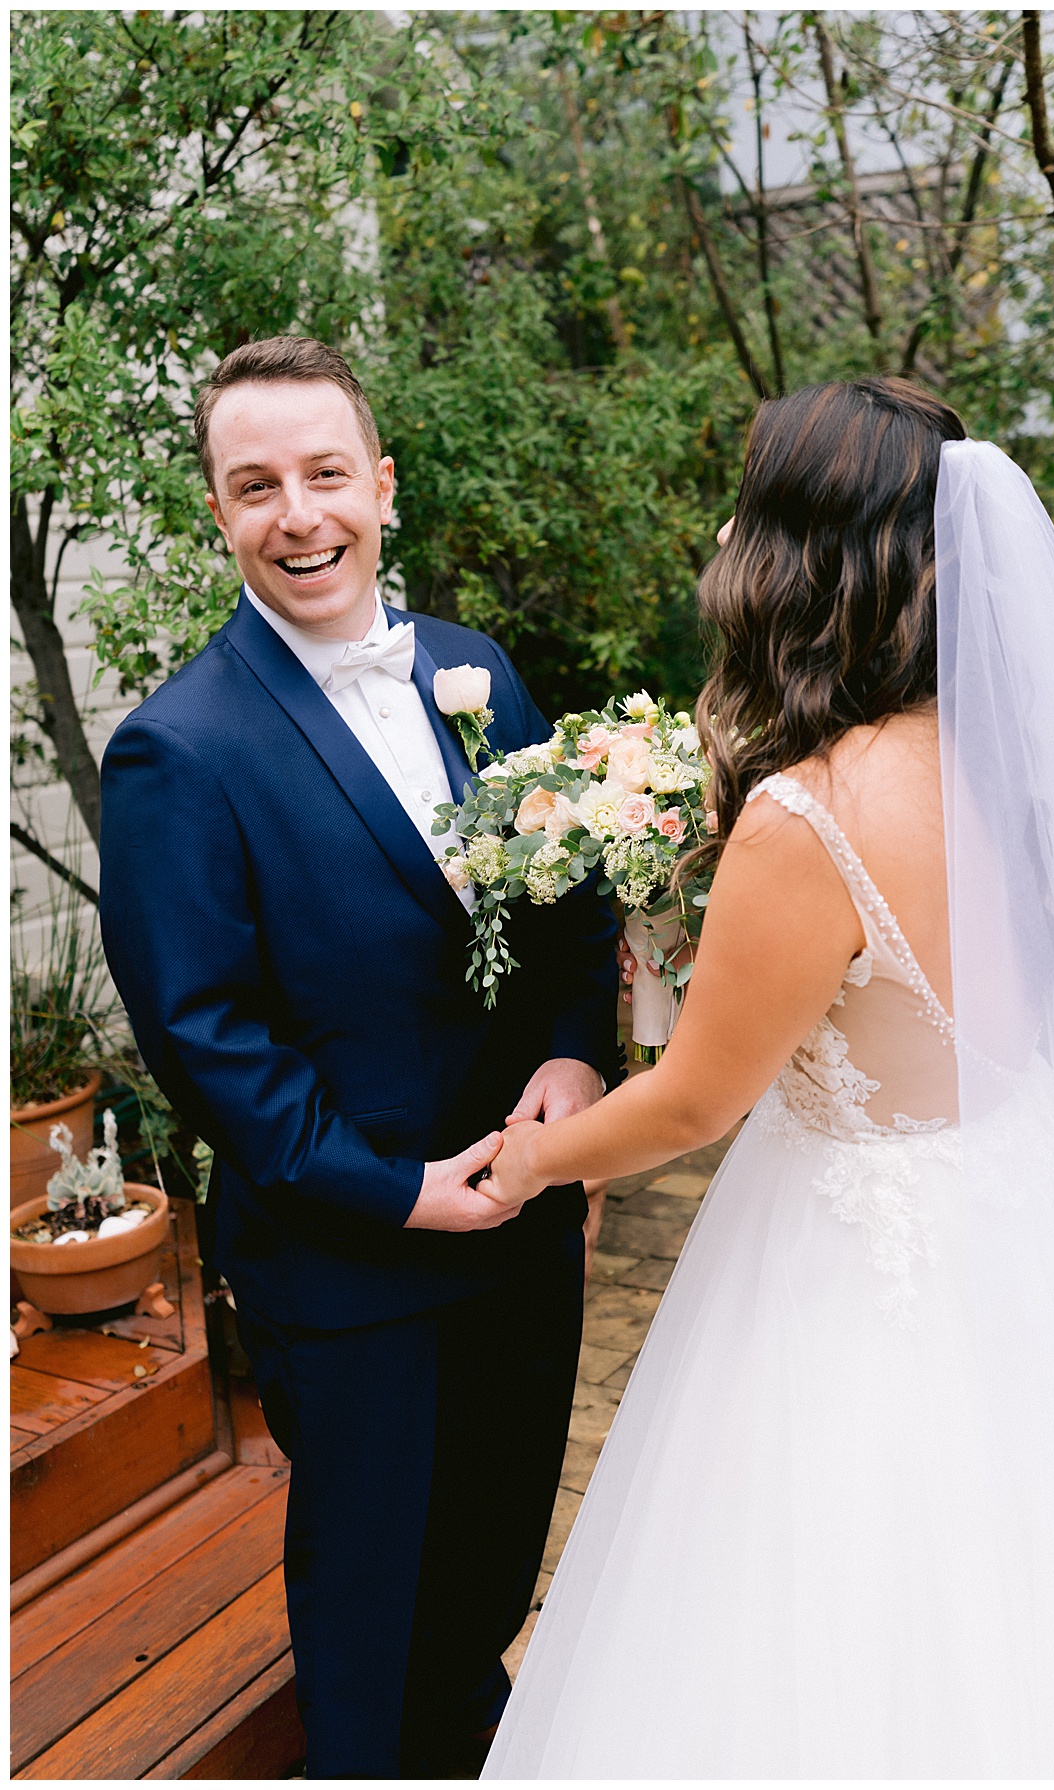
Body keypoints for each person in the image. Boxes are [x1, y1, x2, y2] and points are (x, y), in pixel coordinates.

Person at [477, 378, 1054, 1778]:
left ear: (798, 554)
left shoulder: (808, 816)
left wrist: (529, 1159)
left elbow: (693, 1098)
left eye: (752, 505)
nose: (730, 530)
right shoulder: (1015, 755)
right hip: (1031, 1210)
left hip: (862, 1268)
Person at [98, 336, 619, 1778]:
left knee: (492, 1574)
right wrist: (397, 1192)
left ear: (382, 484)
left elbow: (571, 916)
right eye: (255, 485)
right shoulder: (176, 752)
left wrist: (576, 1072)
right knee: (373, 1616)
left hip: (525, 1227)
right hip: (356, 1261)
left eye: (326, 472)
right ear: (220, 512)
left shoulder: (477, 670)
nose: (299, 513)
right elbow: (208, 1044)